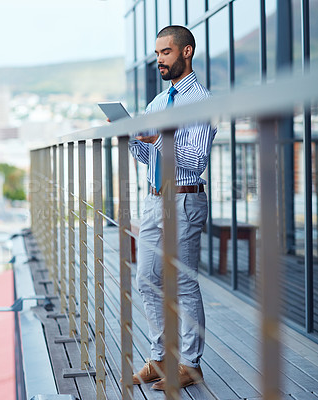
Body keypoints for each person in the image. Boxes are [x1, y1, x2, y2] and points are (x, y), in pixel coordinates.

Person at [128, 25, 216, 391]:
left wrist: (160, 139)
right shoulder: (157, 102)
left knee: (182, 283)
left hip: (184, 197)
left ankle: (191, 365)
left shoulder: (201, 100)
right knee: (146, 278)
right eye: (157, 53)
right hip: (154, 197)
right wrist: (133, 138)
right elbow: (150, 158)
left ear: (186, 52)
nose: (159, 60)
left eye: (166, 52)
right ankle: (161, 357)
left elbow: (195, 160)